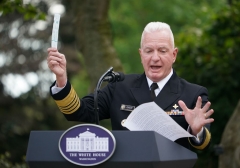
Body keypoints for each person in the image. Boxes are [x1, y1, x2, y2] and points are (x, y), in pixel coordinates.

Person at [47, 22, 214, 150]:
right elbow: (79, 111)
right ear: (141, 54)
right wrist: (61, 78)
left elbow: (202, 145)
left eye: (162, 51)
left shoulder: (194, 93)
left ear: (174, 54)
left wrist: (196, 131)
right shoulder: (120, 87)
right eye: (149, 51)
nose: (155, 58)